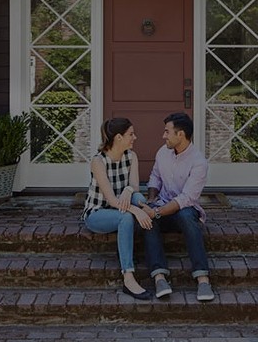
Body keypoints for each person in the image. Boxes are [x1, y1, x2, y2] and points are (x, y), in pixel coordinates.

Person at [140, 112, 214, 301]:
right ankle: (159, 277)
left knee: (186, 217)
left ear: (180, 134)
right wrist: (151, 201)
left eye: (167, 132)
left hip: (184, 209)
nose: (163, 136)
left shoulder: (199, 162)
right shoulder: (162, 152)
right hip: (162, 205)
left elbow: (186, 198)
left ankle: (203, 279)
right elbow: (154, 178)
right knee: (149, 222)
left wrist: (155, 212)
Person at [81, 117, 154, 300]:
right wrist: (136, 210)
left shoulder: (131, 156)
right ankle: (128, 277)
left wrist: (129, 191)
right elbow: (112, 200)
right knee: (128, 217)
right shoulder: (98, 161)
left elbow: (135, 187)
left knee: (138, 197)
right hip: (98, 213)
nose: (135, 138)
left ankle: (142, 225)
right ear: (119, 137)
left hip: (121, 207)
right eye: (131, 134)